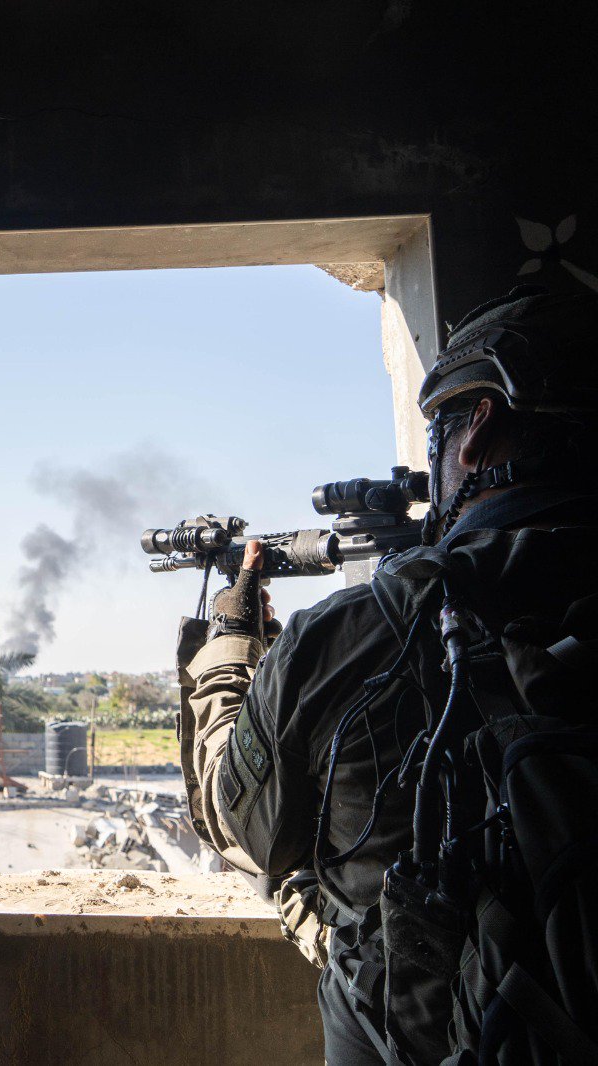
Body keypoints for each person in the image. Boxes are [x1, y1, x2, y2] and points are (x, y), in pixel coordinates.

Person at [177, 285, 598, 1063]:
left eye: (439, 428)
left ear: (477, 431)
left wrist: (229, 652)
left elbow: (243, 824)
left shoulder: (357, 634)